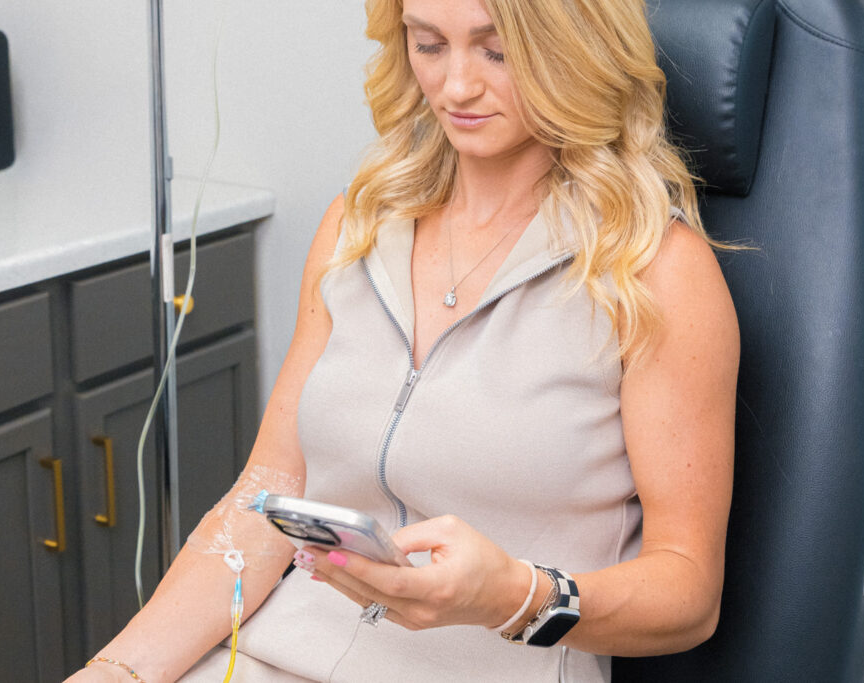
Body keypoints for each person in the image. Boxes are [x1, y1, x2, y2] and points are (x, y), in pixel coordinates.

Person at [68, 0, 738, 680]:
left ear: (573, 47)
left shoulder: (653, 271)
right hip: (270, 655)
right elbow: (262, 499)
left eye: (495, 52)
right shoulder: (356, 226)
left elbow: (690, 593)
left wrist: (514, 595)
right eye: (428, 44)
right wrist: (118, 669)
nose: (455, 87)